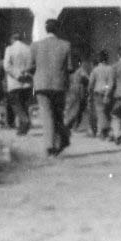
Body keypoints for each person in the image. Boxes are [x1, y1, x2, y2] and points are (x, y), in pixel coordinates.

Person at [31, 19, 72, 156]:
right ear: (58, 29)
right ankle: (61, 140)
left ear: (46, 29)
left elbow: (31, 66)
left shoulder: (36, 45)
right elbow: (70, 67)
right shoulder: (66, 45)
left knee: (47, 114)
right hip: (59, 84)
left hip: (41, 85)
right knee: (58, 114)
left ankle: (49, 144)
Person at [3, 32, 34, 135]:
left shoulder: (9, 49)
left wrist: (17, 75)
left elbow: (7, 66)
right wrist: (25, 73)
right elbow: (32, 64)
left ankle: (25, 121)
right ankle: (22, 129)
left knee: (15, 103)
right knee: (24, 104)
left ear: (12, 39)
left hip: (14, 82)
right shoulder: (29, 48)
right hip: (27, 82)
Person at [87, 50, 115, 139]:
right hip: (108, 93)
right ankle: (109, 131)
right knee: (108, 112)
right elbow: (111, 83)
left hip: (97, 93)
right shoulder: (110, 69)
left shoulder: (95, 70)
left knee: (100, 112)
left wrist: (89, 92)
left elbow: (91, 83)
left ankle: (101, 131)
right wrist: (107, 92)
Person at [65, 55, 93, 133]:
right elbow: (88, 78)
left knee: (75, 108)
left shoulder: (75, 72)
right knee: (77, 108)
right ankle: (71, 125)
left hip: (74, 91)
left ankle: (72, 125)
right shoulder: (81, 70)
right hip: (79, 91)